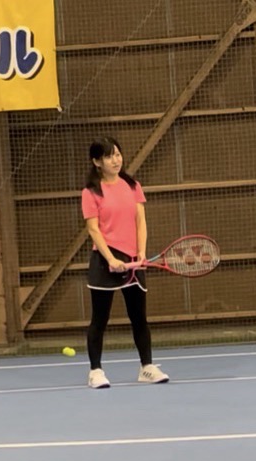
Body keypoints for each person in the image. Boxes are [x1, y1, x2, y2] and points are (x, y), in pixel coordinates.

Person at [81, 137, 168, 389]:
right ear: (97, 162)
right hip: (104, 261)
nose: (115, 160)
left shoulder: (132, 185)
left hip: (132, 260)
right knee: (100, 320)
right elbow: (93, 230)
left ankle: (147, 367)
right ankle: (96, 371)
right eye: (109, 156)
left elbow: (140, 220)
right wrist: (111, 258)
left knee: (139, 317)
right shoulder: (90, 192)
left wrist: (140, 252)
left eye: (118, 154)